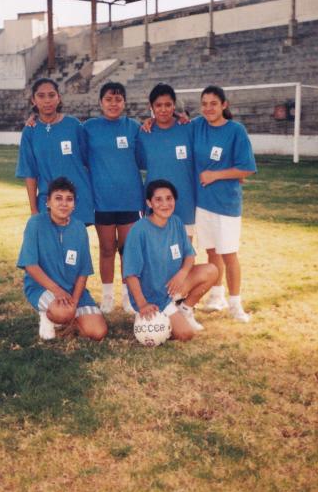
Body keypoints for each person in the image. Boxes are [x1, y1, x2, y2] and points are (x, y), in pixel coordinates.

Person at [123, 179, 218, 340]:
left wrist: (182, 273)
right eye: (158, 199)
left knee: (211, 270)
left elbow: (189, 255)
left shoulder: (176, 222)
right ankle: (158, 314)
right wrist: (142, 304)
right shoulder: (139, 231)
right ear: (149, 203)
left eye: (169, 198)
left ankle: (185, 309)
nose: (165, 204)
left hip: (173, 287)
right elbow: (130, 274)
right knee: (185, 334)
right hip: (152, 296)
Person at [192, 85, 257, 322]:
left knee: (229, 254)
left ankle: (236, 305)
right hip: (203, 203)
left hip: (226, 204)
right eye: (205, 103)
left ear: (224, 105)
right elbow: (177, 125)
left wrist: (215, 175)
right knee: (212, 252)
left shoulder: (236, 131)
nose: (208, 108)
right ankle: (216, 297)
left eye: (213, 104)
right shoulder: (197, 125)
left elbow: (247, 168)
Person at [17, 177, 107, 341]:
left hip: (73, 291)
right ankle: (48, 316)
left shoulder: (79, 228)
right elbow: (30, 265)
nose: (64, 204)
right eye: (58, 198)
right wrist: (57, 291)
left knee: (98, 332)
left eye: (69, 199)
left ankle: (67, 321)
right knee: (63, 312)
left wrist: (75, 300)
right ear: (48, 202)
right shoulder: (36, 223)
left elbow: (83, 271)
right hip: (43, 288)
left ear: (74, 204)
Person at [84, 82, 144, 314]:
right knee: (107, 249)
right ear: (100, 102)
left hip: (131, 199)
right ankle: (107, 296)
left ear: (124, 103)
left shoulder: (134, 127)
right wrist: (33, 119)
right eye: (108, 99)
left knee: (128, 251)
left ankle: (128, 296)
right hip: (102, 200)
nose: (113, 104)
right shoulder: (89, 128)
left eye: (118, 99)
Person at [16, 78, 94, 225]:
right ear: (33, 100)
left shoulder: (74, 125)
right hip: (48, 203)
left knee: (75, 246)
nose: (47, 100)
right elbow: (29, 173)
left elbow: (89, 161)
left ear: (59, 98)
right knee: (50, 247)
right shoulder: (30, 131)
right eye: (41, 96)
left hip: (77, 201)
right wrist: (33, 210)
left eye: (52, 95)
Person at [137, 83, 197, 239]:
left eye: (168, 105)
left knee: (185, 253)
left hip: (184, 202)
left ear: (174, 106)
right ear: (151, 107)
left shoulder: (188, 129)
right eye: (158, 105)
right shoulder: (144, 133)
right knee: (158, 255)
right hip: (155, 204)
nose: (163, 109)